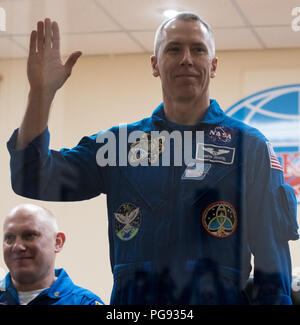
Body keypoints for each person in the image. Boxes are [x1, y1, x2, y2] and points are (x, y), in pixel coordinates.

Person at [7, 13, 299, 305]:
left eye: (198, 49)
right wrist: (41, 94)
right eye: (174, 49)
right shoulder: (120, 145)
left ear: (213, 65)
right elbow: (32, 177)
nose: (186, 58)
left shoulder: (249, 147)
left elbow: (272, 268)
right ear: (154, 64)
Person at [0, 204, 104, 305]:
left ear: (57, 242)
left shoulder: (85, 302)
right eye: (9, 238)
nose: (17, 246)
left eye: (29, 235)